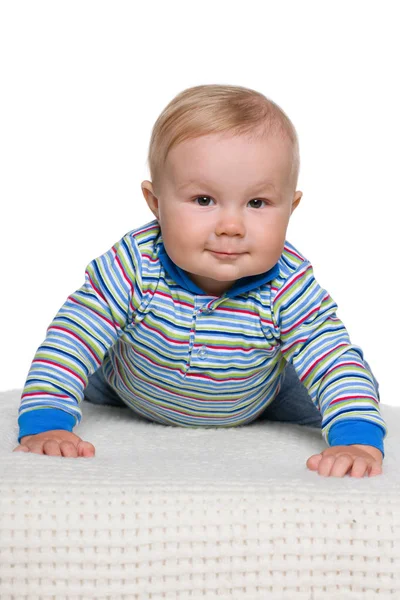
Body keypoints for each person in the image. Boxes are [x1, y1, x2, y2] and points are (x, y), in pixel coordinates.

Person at [13, 84, 386, 478]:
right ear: (156, 203)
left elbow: (328, 353)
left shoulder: (289, 284)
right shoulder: (135, 264)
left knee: (344, 378)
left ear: (290, 208)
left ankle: (354, 417)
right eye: (204, 200)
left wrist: (355, 440)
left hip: (255, 395)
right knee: (79, 361)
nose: (230, 226)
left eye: (257, 203)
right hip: (129, 385)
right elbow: (73, 335)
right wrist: (47, 421)